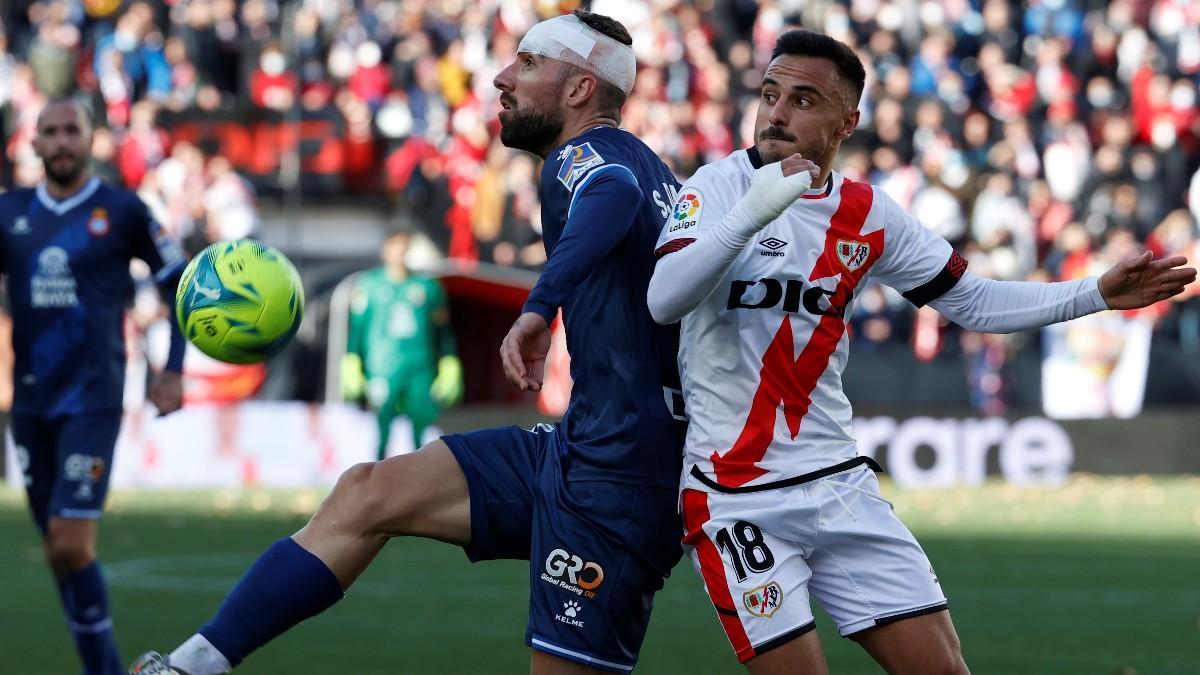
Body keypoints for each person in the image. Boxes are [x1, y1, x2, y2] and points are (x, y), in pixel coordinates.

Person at [131, 10, 687, 674]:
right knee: (370, 490)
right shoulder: (656, 171)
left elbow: (609, 194)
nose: (503, 78)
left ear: (580, 90)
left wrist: (540, 306)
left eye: (529, 65)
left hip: (618, 485)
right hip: (582, 451)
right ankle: (190, 666)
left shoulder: (588, 157)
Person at [647, 29, 1196, 674]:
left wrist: (1094, 294)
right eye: (770, 95)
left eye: (803, 100)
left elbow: (976, 302)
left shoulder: (870, 214)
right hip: (735, 496)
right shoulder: (714, 188)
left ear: (846, 121)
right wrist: (749, 214)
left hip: (838, 486)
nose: (776, 113)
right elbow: (664, 300)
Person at [0, 98, 187, 675]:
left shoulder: (123, 210)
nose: (59, 142)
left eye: (70, 131)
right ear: (33, 144)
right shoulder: (9, 213)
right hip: (30, 403)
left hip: (94, 398)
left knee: (71, 546)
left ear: (91, 140)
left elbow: (179, 283)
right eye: (48, 132)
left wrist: (172, 368)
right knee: (60, 552)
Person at [340, 229, 462, 460]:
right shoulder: (369, 286)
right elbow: (357, 328)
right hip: (383, 366)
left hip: (419, 366)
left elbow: (443, 330)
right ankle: (377, 476)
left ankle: (420, 479)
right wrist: (352, 359)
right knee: (382, 423)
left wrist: (449, 360)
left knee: (422, 422)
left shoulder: (428, 288)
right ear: (384, 251)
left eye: (404, 247)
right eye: (394, 247)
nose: (399, 254)